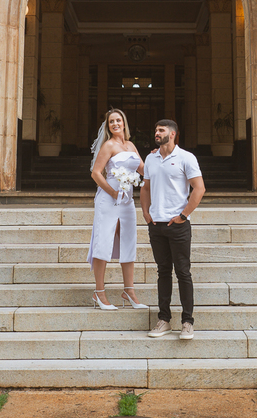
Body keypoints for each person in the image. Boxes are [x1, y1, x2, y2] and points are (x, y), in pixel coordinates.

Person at [140, 118, 205, 340]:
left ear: (173, 134)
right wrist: (146, 213)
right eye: (156, 129)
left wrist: (183, 215)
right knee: (163, 272)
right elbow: (145, 188)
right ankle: (164, 320)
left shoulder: (186, 158)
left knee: (183, 273)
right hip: (156, 225)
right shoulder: (150, 158)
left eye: (161, 130)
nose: (156, 133)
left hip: (177, 225)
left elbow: (199, 188)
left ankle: (187, 322)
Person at [87, 108, 146, 310]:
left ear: (124, 123)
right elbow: (96, 173)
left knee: (129, 241)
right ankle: (99, 292)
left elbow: (144, 170)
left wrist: (158, 157)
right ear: (108, 125)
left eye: (118, 120)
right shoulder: (108, 145)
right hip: (109, 198)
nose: (115, 124)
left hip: (128, 200)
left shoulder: (130, 145)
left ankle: (128, 290)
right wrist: (113, 192)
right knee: (103, 240)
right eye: (111, 121)